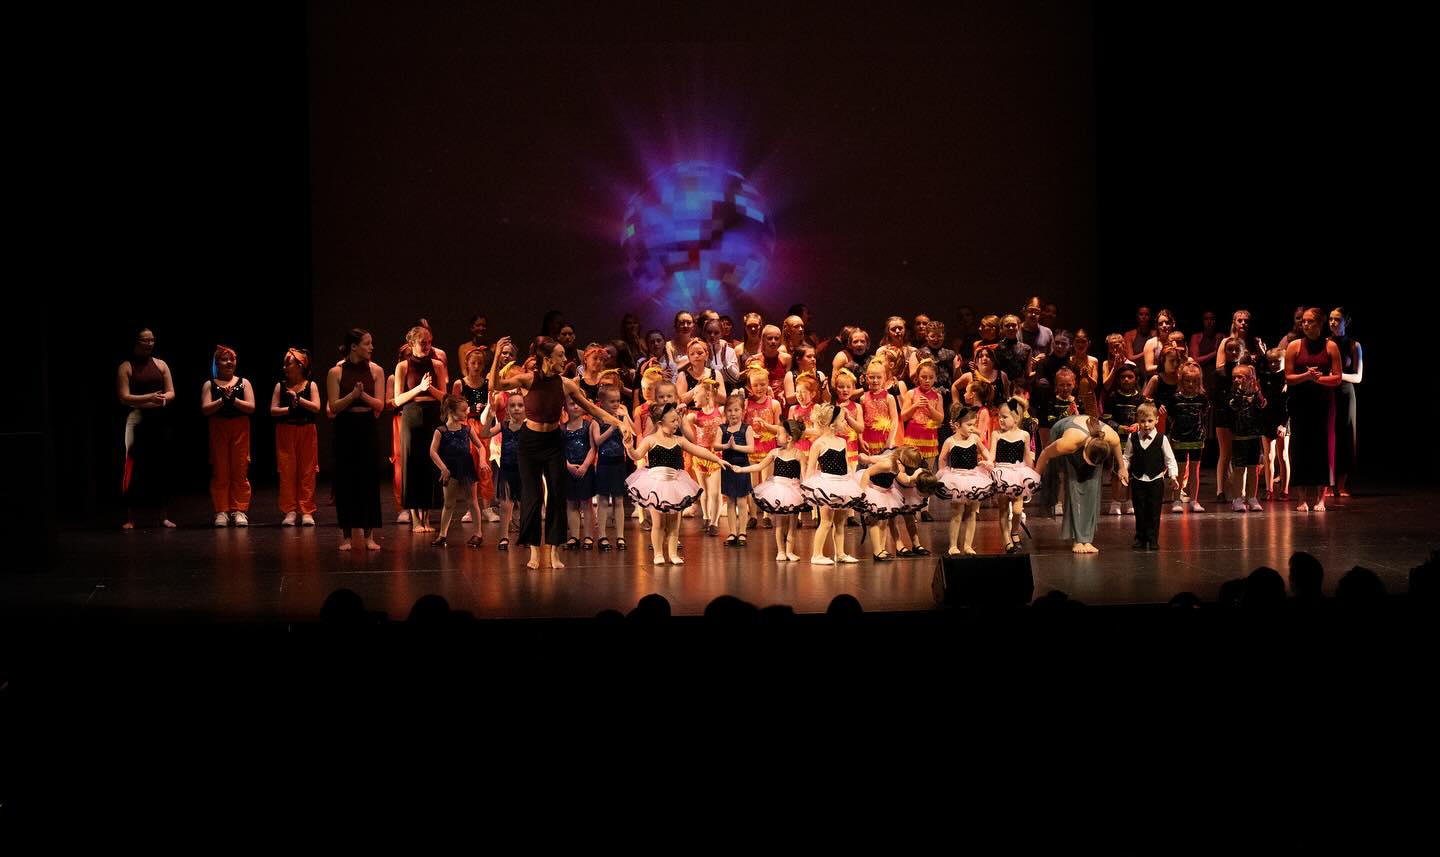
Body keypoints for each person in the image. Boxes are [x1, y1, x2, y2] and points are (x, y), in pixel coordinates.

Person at [488, 335, 630, 569]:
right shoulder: (527, 379)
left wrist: (620, 423)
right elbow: (496, 385)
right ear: (547, 358)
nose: (565, 359)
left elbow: (592, 408)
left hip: (554, 441)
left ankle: (554, 552)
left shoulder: (565, 384)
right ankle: (534, 552)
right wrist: (495, 357)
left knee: (556, 495)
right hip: (530, 443)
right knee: (532, 497)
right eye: (560, 355)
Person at [625, 402, 728, 565]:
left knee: (674, 524)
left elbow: (697, 449)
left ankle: (673, 553)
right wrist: (629, 447)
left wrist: (716, 458)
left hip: (675, 484)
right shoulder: (650, 440)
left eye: (677, 420)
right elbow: (637, 456)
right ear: (660, 423)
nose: (677, 423)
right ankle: (658, 553)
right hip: (656, 485)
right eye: (673, 421)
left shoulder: (679, 440)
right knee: (658, 523)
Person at [327, 328, 387, 551]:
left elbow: (380, 405)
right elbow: (333, 406)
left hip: (367, 427)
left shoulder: (376, 371)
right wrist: (352, 396)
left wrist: (362, 396)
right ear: (354, 346)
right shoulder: (336, 372)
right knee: (346, 481)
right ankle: (346, 535)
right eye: (367, 343)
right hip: (345, 428)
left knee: (368, 480)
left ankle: (369, 535)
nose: (371, 347)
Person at [1034, 414, 1129, 554]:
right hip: (1069, 433)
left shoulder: (1110, 436)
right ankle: (1077, 540)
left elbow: (1115, 446)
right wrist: (1034, 477)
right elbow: (1045, 453)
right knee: (1074, 487)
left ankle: (1087, 539)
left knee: (1092, 487)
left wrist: (1122, 468)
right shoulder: (1068, 443)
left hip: (1092, 444)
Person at [117, 328, 176, 529]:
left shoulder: (160, 364)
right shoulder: (126, 366)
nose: (150, 343)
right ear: (136, 342)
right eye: (145, 340)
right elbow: (124, 397)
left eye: (152, 340)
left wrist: (160, 399)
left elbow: (171, 393)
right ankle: (130, 517)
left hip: (159, 419)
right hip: (137, 419)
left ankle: (163, 516)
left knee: (161, 467)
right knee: (133, 468)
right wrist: (148, 398)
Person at [1284, 309, 1342, 512]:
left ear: (1320, 324)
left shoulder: (1331, 346)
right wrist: (1306, 377)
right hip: (1300, 403)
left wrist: (1317, 379)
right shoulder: (1294, 346)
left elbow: (1337, 378)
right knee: (1300, 448)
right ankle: (1301, 498)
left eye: (1310, 322)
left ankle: (1321, 499)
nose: (1305, 325)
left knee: (1322, 448)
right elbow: (1289, 377)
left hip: (1323, 403)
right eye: (1304, 322)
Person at [732, 419, 810, 561]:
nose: (775, 436)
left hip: (794, 491)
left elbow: (804, 476)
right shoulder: (774, 453)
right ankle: (780, 551)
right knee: (779, 524)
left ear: (789, 438)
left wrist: (808, 491)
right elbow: (759, 466)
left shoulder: (799, 454)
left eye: (779, 434)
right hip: (778, 490)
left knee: (793, 525)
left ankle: (790, 551)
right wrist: (742, 469)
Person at [394, 326, 447, 533]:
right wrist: (418, 388)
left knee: (430, 463)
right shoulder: (403, 367)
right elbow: (398, 399)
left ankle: (427, 519)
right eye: (422, 342)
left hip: (433, 413)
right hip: (412, 414)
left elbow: (444, 396)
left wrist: (430, 388)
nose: (427, 346)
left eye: (429, 341)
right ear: (411, 344)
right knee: (412, 464)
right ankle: (416, 518)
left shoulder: (438, 365)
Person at [800, 403, 864, 565]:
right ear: (832, 423)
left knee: (840, 522)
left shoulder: (842, 442)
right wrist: (808, 489)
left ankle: (840, 553)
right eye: (843, 420)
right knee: (826, 521)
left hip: (842, 484)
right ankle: (816, 554)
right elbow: (810, 469)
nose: (845, 423)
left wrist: (852, 482)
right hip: (826, 485)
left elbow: (847, 465)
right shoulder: (819, 444)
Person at [427, 394, 493, 547]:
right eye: (463, 411)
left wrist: (482, 460)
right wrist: (443, 468)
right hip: (450, 468)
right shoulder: (441, 431)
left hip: (466, 466)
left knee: (473, 501)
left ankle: (478, 534)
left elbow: (480, 446)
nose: (466, 413)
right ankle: (442, 534)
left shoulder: (467, 429)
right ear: (451, 411)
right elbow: (432, 452)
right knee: (449, 503)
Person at [201, 345, 255, 527]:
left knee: (240, 469)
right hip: (219, 428)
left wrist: (234, 400)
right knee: (220, 469)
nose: (229, 362)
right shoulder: (210, 384)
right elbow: (206, 409)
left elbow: (251, 407)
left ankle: (239, 510)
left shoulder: (243, 382)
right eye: (225, 359)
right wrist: (222, 400)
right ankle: (221, 511)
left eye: (232, 359)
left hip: (240, 428)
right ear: (217, 363)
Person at [935, 404, 995, 555]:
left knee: (972, 512)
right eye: (968, 425)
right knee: (957, 512)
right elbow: (942, 458)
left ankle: (968, 545)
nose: (972, 428)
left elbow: (984, 450)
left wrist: (988, 460)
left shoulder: (975, 438)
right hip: (957, 478)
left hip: (974, 477)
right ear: (957, 425)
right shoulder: (950, 441)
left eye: (973, 425)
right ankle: (953, 545)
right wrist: (943, 473)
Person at [271, 348, 320, 526]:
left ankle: (306, 510)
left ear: (300, 366)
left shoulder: (311, 385)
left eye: (288, 363)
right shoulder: (281, 386)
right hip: (286, 430)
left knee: (307, 471)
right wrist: (290, 409)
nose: (285, 367)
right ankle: (290, 510)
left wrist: (299, 400)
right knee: (287, 471)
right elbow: (273, 410)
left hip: (307, 430)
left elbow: (316, 407)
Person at [1124, 403, 1179, 551]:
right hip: (1138, 479)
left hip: (1155, 480)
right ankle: (1140, 538)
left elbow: (1170, 459)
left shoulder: (1162, 439)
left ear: (1156, 420)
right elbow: (1127, 457)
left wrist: (1173, 476)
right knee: (1139, 510)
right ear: (1137, 420)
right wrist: (1124, 471)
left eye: (1149, 421)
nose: (1146, 424)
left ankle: (1153, 539)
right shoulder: (1133, 437)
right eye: (1142, 421)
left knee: (1154, 511)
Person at [989, 397, 1040, 553]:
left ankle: (1014, 532)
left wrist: (1033, 474)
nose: (1001, 420)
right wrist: (987, 464)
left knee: (1017, 510)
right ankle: (1006, 539)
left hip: (1018, 473)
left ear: (1016, 418)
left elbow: (1026, 456)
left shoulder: (1024, 435)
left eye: (1005, 417)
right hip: (1002, 473)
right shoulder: (996, 434)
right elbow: (992, 455)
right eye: (999, 417)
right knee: (1003, 509)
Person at [1328, 307, 1363, 497]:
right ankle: (1327, 484)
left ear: (1346, 322)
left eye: (1337, 319)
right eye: (1331, 319)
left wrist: (1338, 376)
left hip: (1345, 393)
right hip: (1328, 393)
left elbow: (1358, 377)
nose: (1333, 322)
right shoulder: (1324, 343)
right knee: (1328, 436)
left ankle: (1341, 484)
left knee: (1346, 436)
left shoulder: (1353, 345)